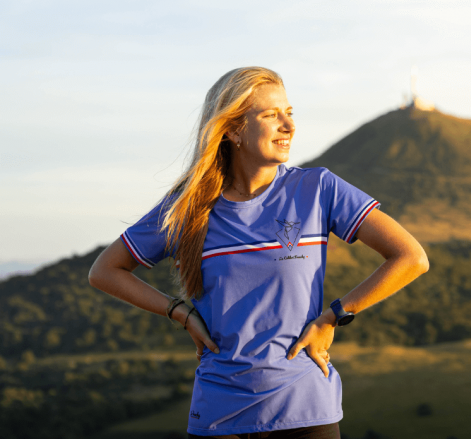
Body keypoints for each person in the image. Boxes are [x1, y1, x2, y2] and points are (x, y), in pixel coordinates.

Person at [89, 67, 429, 439]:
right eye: (270, 115)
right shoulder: (188, 206)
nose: (288, 126)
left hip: (305, 411)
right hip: (219, 415)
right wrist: (179, 312)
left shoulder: (318, 188)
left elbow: (410, 257)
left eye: (290, 113)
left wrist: (333, 317)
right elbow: (106, 270)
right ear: (232, 129)